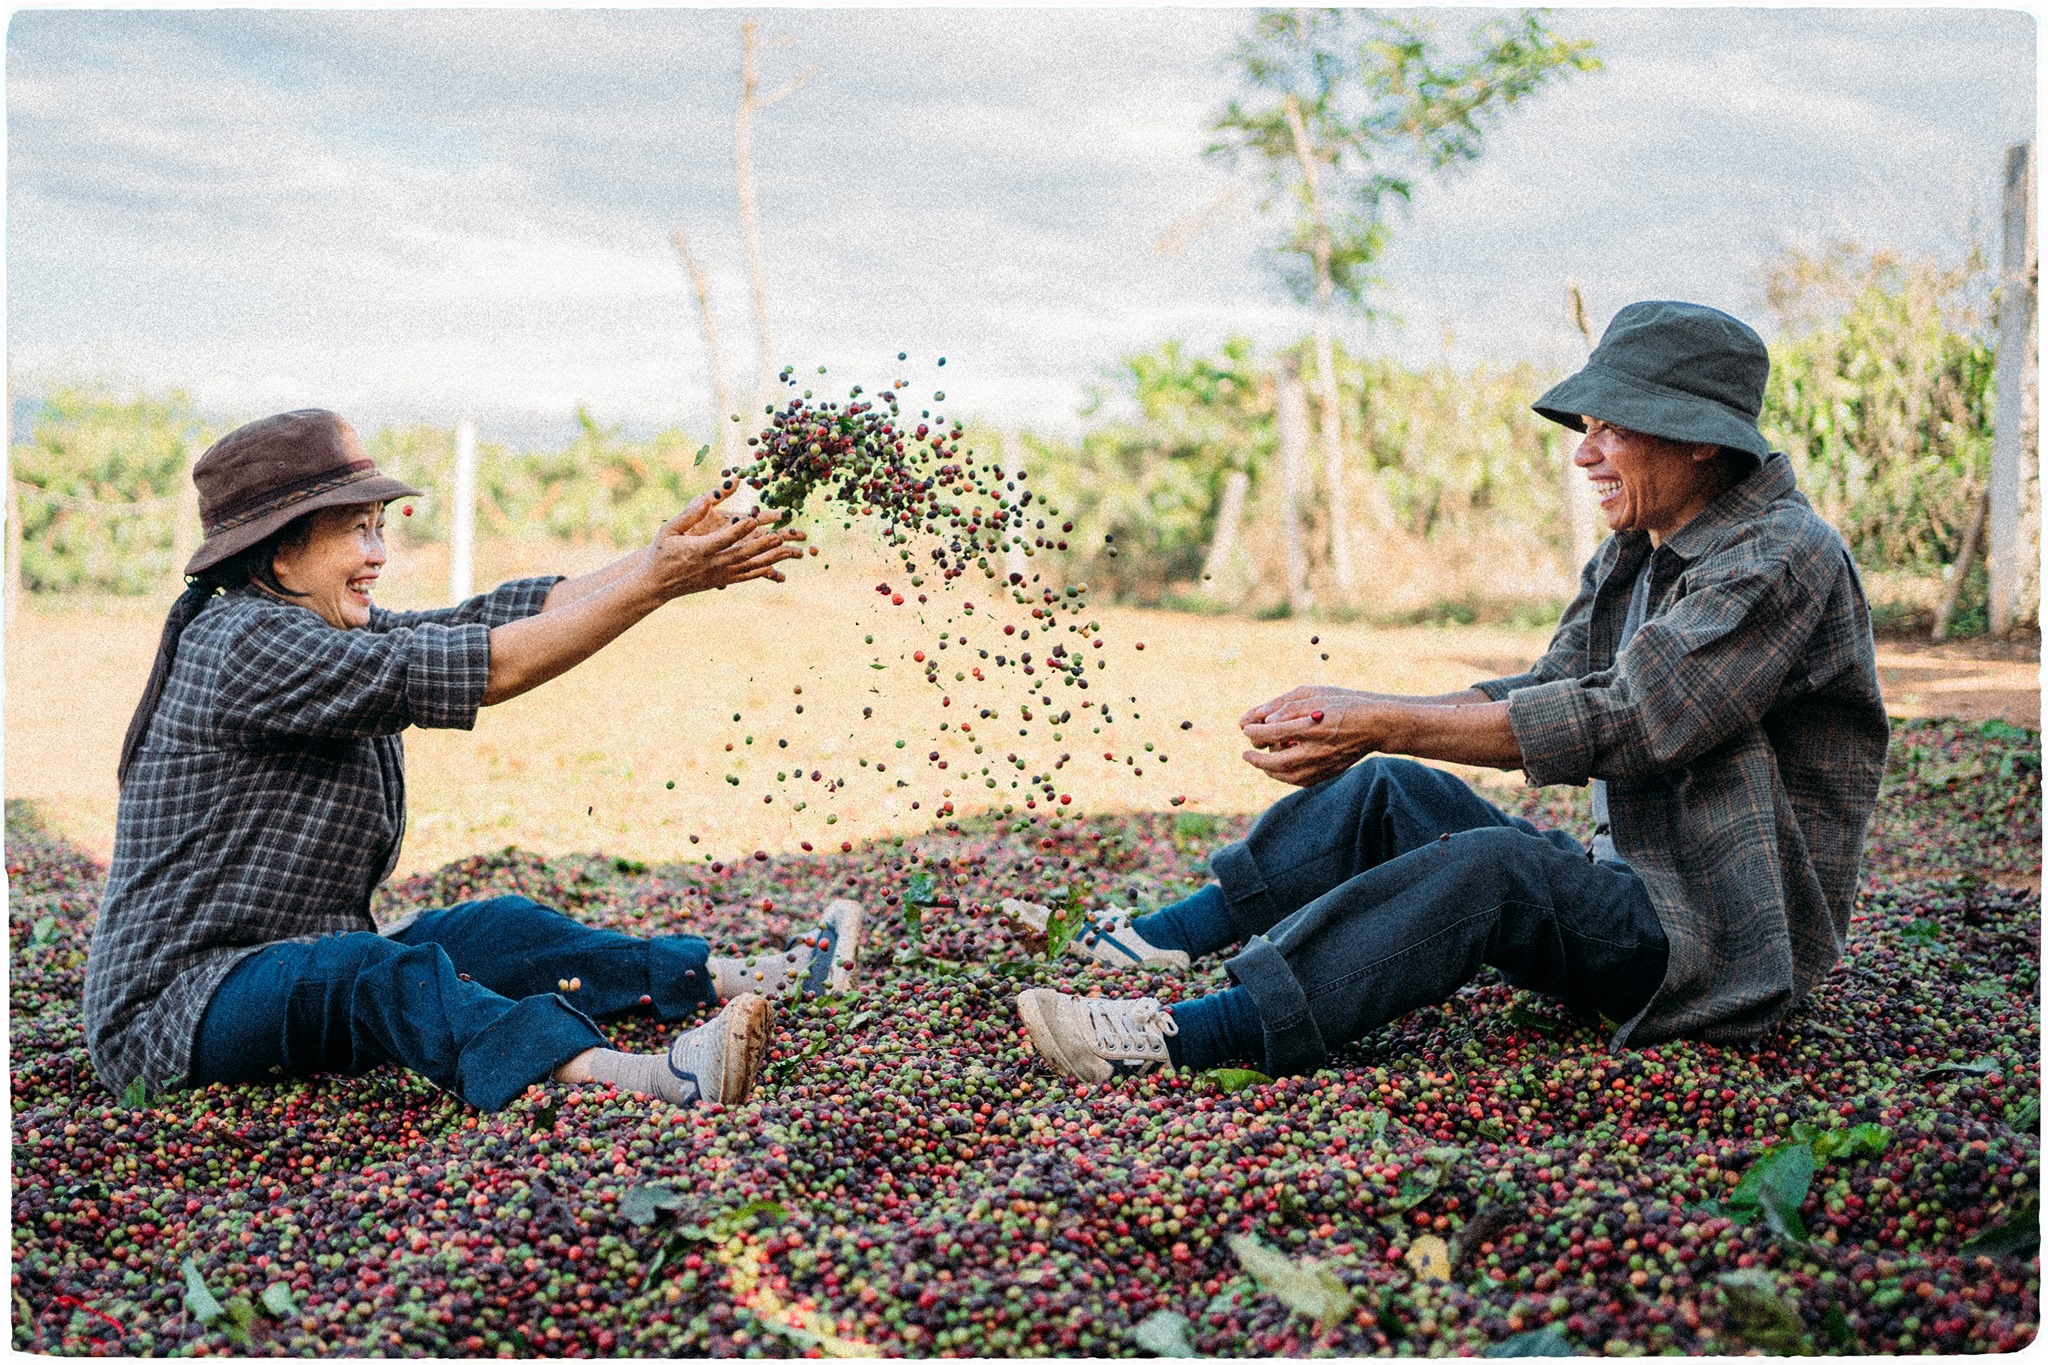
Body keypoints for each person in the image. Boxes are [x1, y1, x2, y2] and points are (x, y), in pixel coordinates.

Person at [1008, 301, 1890, 1082]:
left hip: (1714, 940)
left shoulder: (1780, 555)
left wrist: (1388, 718)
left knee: (1495, 871)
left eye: (1612, 428)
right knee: (1386, 790)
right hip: (1632, 881)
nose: (1585, 453)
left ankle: (1190, 1033)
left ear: (1701, 436)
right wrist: (1368, 715)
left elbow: (1630, 721)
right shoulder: (1642, 546)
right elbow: (1553, 688)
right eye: (1586, 427)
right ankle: (1163, 939)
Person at [83, 409, 862, 1114]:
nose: (378, 553)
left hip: (282, 960)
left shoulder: (316, 627)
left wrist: (654, 562)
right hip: (176, 1010)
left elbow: (476, 623)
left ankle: (757, 977)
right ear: (281, 554)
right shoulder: (244, 642)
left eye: (379, 526)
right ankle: (641, 1076)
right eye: (357, 530)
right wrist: (655, 586)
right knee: (374, 973)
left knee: (497, 930)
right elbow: (481, 669)